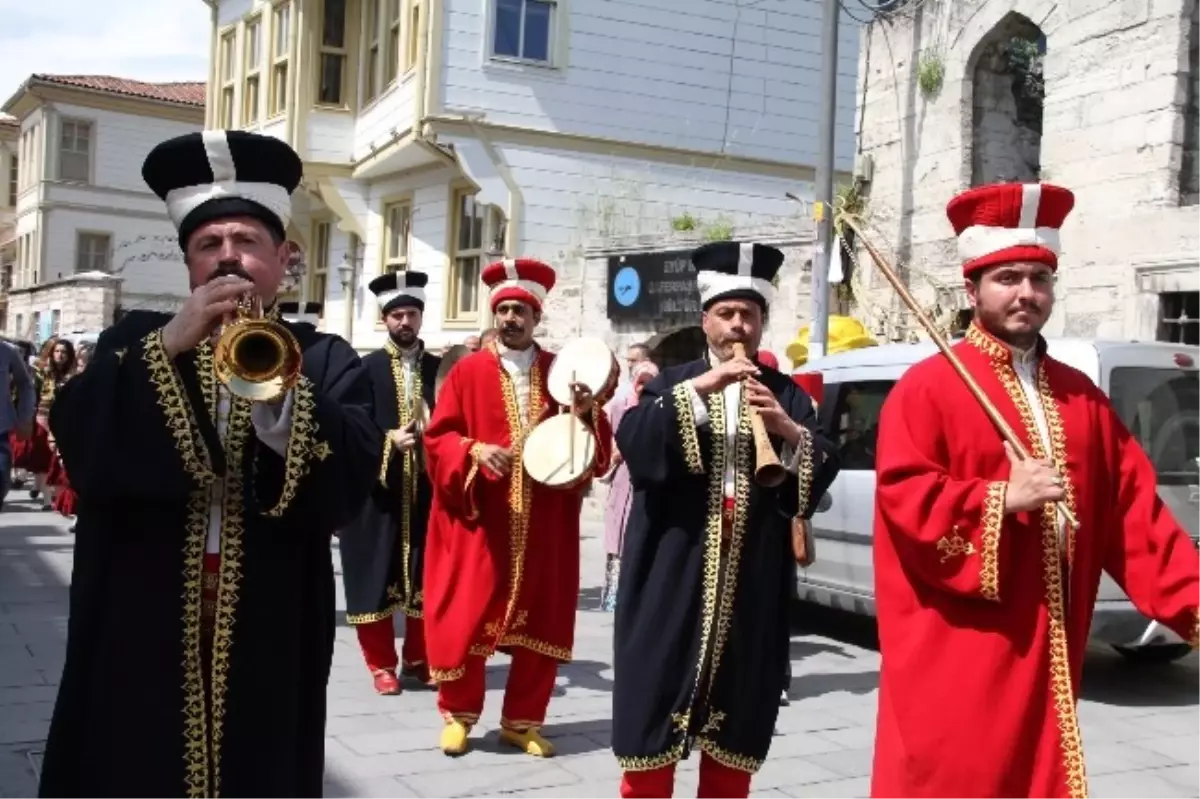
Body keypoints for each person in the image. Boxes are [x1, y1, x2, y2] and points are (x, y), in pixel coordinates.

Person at [38, 129, 381, 798]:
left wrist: (281, 389)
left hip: (270, 616)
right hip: (142, 612)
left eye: (247, 242)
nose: (228, 258)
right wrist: (167, 346)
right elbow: (80, 437)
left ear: (283, 258)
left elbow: (351, 477)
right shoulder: (133, 339)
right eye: (208, 245)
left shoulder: (326, 357)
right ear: (188, 262)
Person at [871, 182, 1200, 799]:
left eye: (1039, 278)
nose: (1026, 293)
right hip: (956, 655)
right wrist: (1000, 499)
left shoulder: (1083, 397)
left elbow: (1138, 522)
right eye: (1007, 277)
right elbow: (905, 502)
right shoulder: (928, 388)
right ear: (973, 290)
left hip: (1050, 649)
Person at [612, 241, 840, 799]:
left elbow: (823, 465)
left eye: (750, 315)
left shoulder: (786, 392)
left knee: (738, 721)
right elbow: (635, 445)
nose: (738, 326)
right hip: (672, 569)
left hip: (753, 578)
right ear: (705, 320)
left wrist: (789, 431)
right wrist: (696, 394)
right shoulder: (672, 381)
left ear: (763, 322)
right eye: (727, 314)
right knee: (652, 709)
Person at [422, 257, 613, 757]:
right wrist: (474, 450)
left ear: (536, 317)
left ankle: (522, 722)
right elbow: (437, 438)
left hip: (546, 522)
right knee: (467, 616)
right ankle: (458, 715)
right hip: (481, 522)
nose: (511, 318)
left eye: (520, 311)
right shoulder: (466, 372)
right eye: (503, 309)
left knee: (541, 622)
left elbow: (594, 447)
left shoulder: (562, 373)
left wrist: (586, 413)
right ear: (495, 314)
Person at [340, 271, 440, 694]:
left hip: (429, 491)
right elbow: (347, 423)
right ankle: (381, 665)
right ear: (384, 320)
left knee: (427, 575)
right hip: (376, 493)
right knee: (373, 575)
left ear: (421, 318)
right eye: (397, 315)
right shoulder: (363, 369)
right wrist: (386, 440)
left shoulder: (442, 368)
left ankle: (419, 658)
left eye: (411, 314)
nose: (405, 322)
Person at [598, 359, 659, 612]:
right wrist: (615, 451)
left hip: (649, 479)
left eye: (650, 382)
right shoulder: (619, 404)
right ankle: (615, 598)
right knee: (618, 536)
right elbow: (606, 433)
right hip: (624, 476)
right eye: (641, 381)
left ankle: (640, 598)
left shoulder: (660, 405)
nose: (644, 387)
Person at [0, 338, 35, 507]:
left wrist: (25, 418)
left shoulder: (7, 351)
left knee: (1, 477)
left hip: (1, 429)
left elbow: (25, 384)